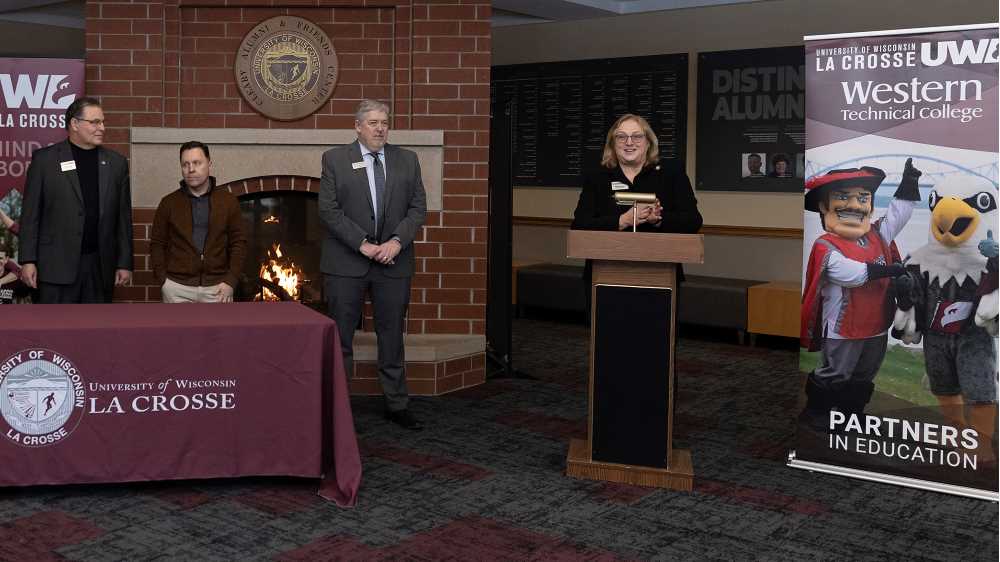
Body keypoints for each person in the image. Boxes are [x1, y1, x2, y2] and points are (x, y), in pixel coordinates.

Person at [319, 100, 427, 430]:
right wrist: (363, 244)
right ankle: (338, 409)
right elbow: (328, 210)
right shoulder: (335, 159)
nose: (380, 128)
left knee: (392, 335)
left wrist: (396, 241)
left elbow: (418, 208)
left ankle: (397, 404)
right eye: (373, 123)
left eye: (384, 122)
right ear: (357, 126)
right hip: (346, 263)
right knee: (341, 338)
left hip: (393, 262)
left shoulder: (407, 160)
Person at [799, 160, 921, 429]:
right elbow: (850, 274)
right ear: (823, 206)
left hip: (876, 324)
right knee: (836, 372)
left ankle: (851, 413)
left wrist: (908, 184)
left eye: (862, 198)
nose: (854, 205)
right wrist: (891, 270)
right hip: (844, 326)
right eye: (842, 197)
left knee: (864, 374)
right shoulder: (826, 245)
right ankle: (816, 412)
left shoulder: (877, 234)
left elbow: (898, 215)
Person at [18, 97, 133, 303]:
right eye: (95, 122)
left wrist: (124, 263)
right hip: (55, 268)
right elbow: (30, 216)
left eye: (103, 122)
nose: (102, 128)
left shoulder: (116, 164)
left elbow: (122, 218)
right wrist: (28, 260)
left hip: (99, 268)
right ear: (74, 124)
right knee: (53, 331)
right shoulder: (45, 161)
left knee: (96, 331)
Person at [150, 141, 246, 303]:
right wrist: (164, 281)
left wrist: (231, 280)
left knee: (220, 330)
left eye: (197, 163)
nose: (191, 169)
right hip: (176, 289)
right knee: (178, 330)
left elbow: (239, 243)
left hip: (218, 289)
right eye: (185, 164)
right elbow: (157, 244)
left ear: (209, 164)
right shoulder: (168, 203)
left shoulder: (228, 202)